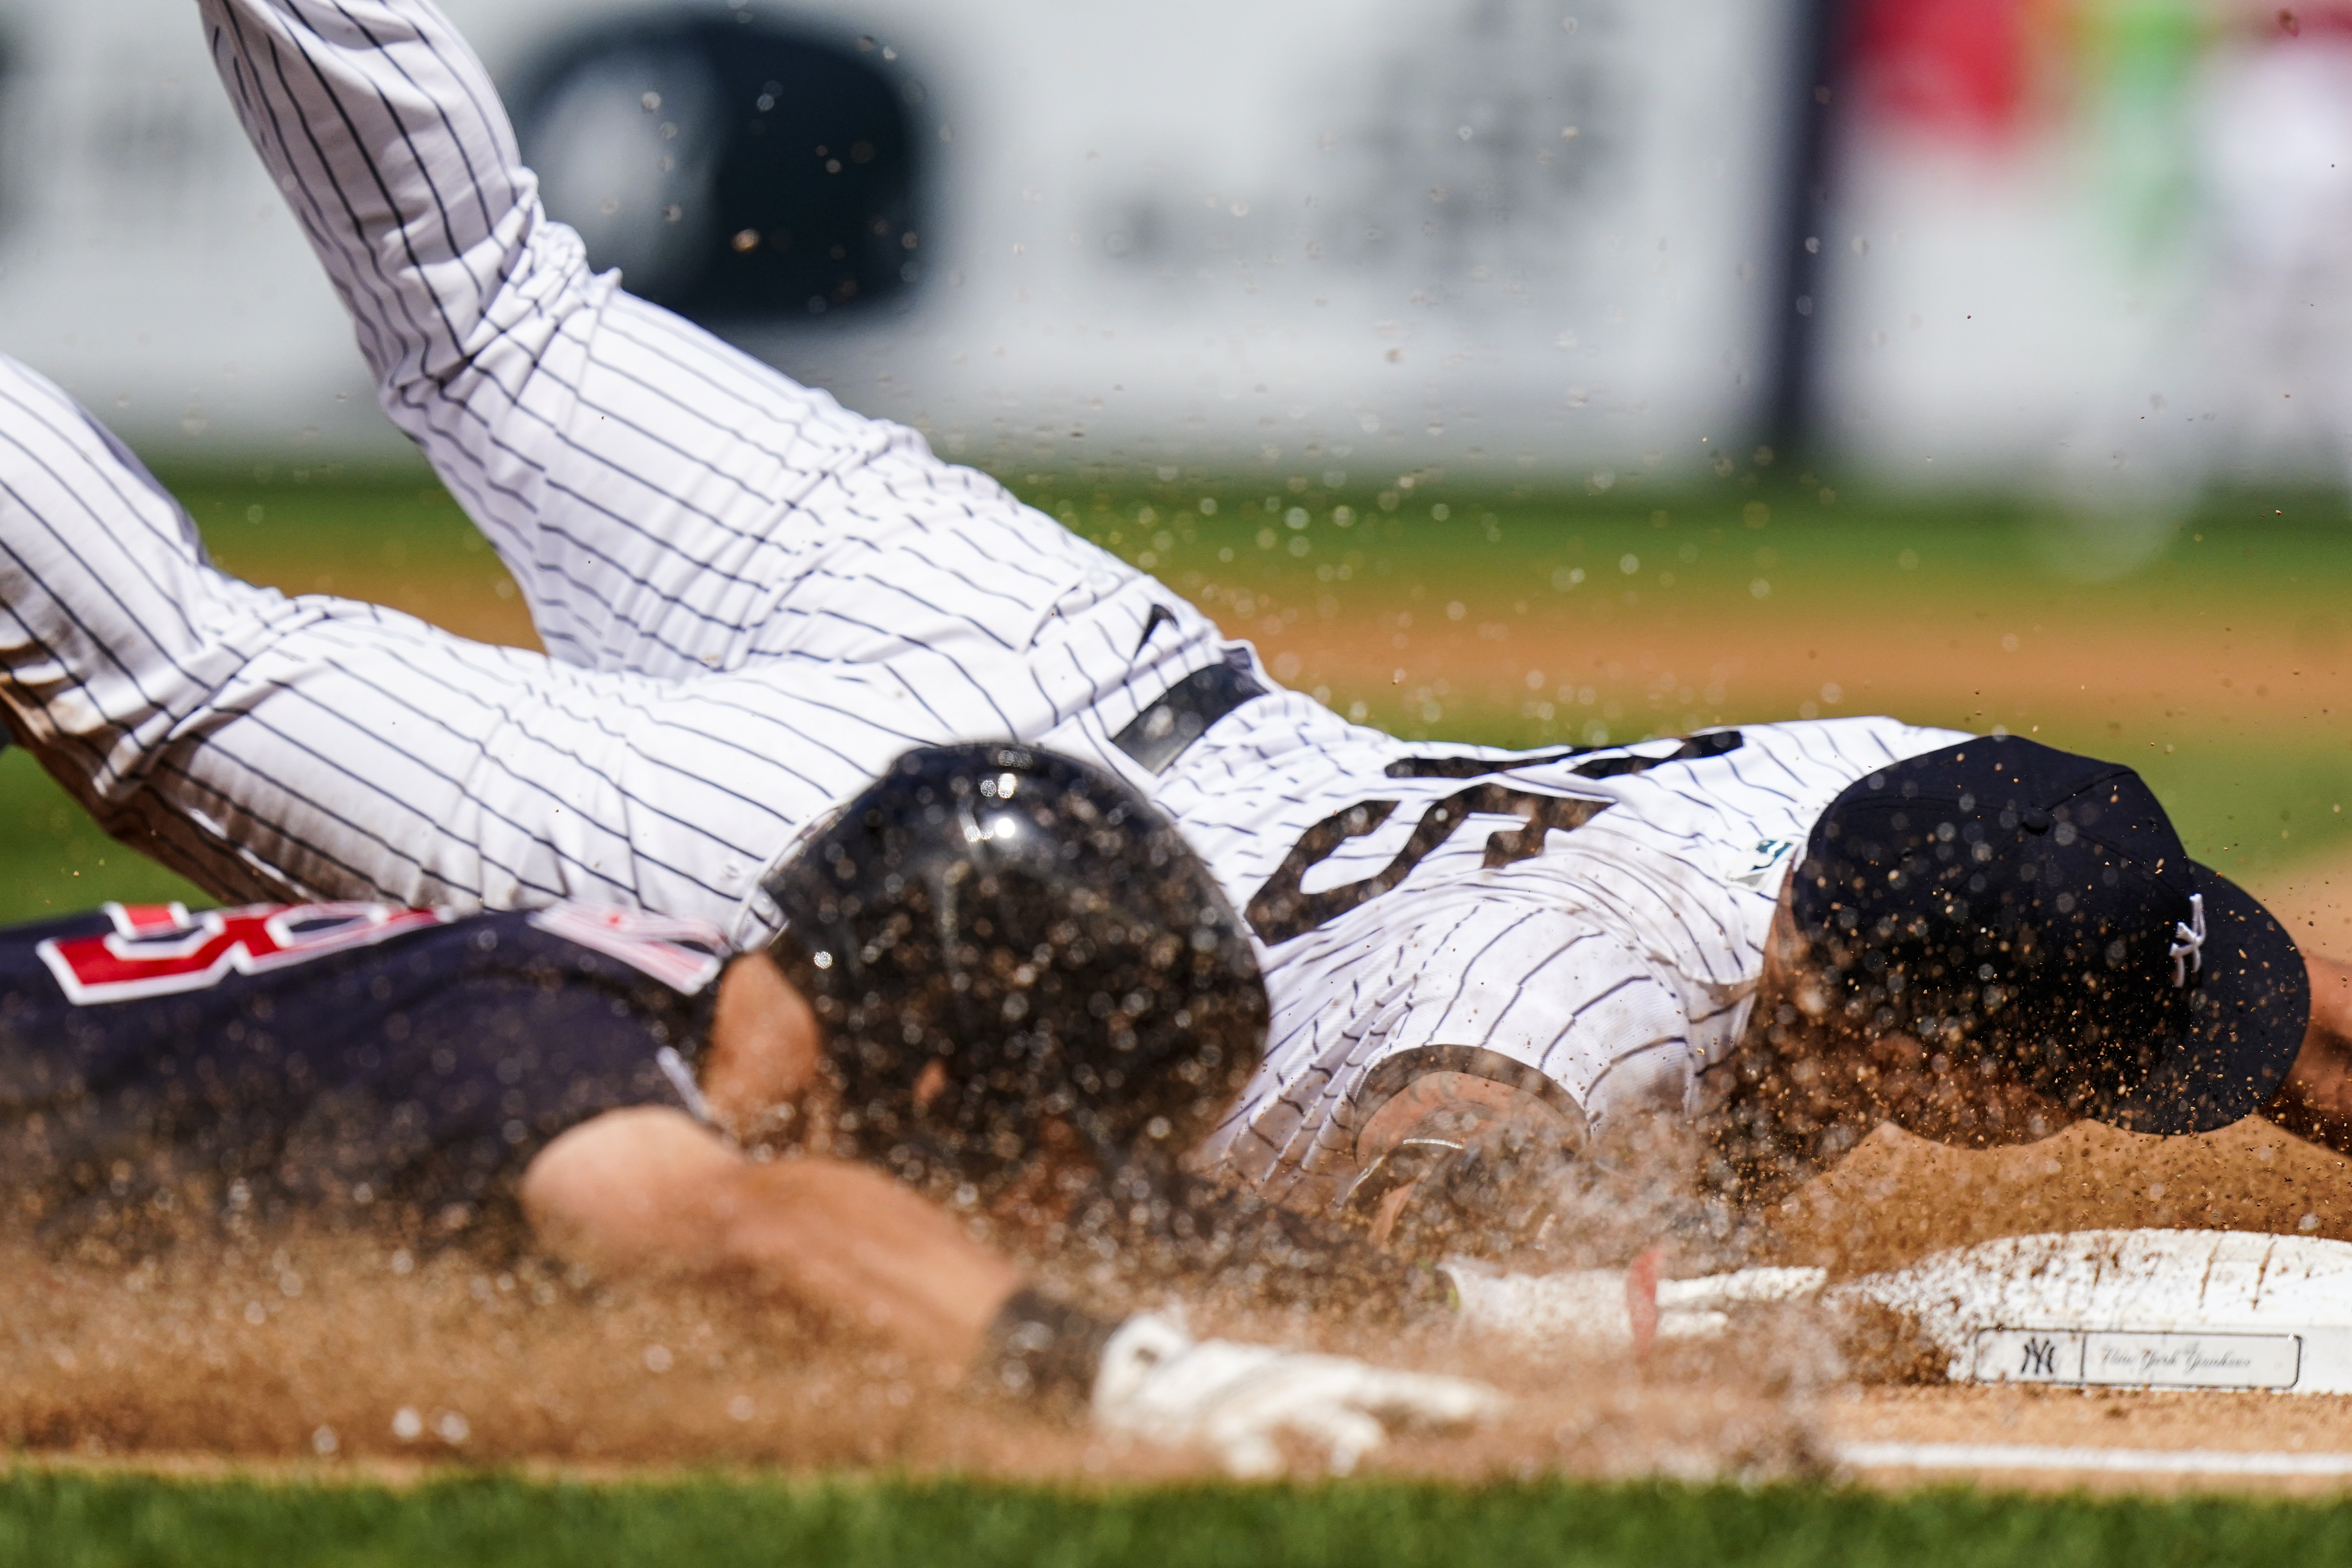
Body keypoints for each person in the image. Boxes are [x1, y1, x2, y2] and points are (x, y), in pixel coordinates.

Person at [0, 0, 2337, 1274]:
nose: (2124, 1061)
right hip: (907, 868)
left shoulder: (1880, 796)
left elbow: (2280, 1012)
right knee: (166, 679)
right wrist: (1582, 1301)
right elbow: (1451, 1141)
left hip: (1053, 644)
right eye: (2074, 1053)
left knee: (488, 304)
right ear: (1923, 1053)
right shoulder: (1591, 1009)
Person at [0, 742, 1497, 1477]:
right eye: (1050, 1131)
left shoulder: (659, 1018)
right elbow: (751, 1222)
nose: (1052, 1203)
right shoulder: (552, 1052)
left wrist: (1497, 1310)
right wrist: (1139, 1379)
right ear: (936, 1073)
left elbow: (1114, 1218)